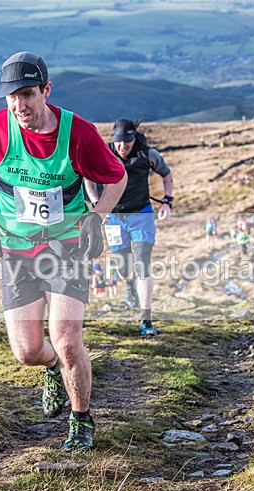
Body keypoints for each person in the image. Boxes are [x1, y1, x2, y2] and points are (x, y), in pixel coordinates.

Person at [0, 51, 127, 451]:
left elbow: (117, 177)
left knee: (68, 338)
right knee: (28, 351)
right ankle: (52, 366)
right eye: (11, 97)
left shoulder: (78, 133)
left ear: (46, 91)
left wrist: (96, 217)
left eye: (27, 94)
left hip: (66, 247)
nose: (19, 105)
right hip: (17, 251)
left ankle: (81, 419)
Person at [85, 117, 174, 337]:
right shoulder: (104, 153)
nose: (122, 146)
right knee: (124, 266)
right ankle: (128, 283)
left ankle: (146, 319)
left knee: (142, 263)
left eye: (127, 141)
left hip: (141, 215)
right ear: (113, 139)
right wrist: (97, 205)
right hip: (114, 218)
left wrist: (166, 201)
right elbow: (87, 178)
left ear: (134, 138)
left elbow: (167, 174)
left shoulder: (147, 154)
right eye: (118, 142)